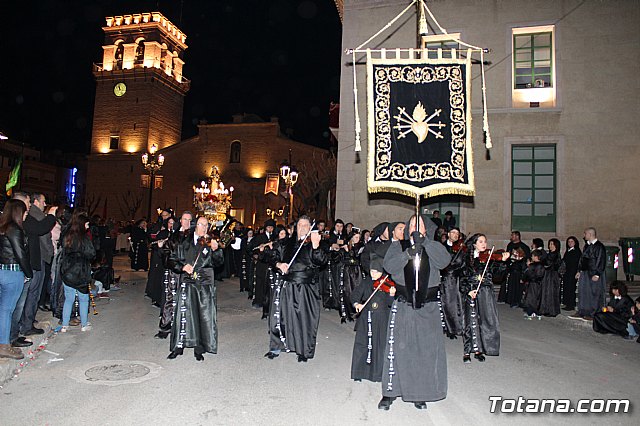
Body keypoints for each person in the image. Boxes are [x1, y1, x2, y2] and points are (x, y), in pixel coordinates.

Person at [379, 214, 450, 411]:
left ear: (426, 228)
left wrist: (425, 243)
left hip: (428, 307)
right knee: (397, 349)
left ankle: (420, 392)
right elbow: (389, 267)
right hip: (404, 304)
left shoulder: (433, 245)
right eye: (411, 223)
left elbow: (444, 261)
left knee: (424, 351)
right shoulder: (399, 246)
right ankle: (390, 392)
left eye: (419, 224)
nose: (415, 227)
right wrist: (408, 253)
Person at [267, 215, 327, 362]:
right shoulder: (286, 243)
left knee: (304, 320)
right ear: (295, 228)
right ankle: (276, 346)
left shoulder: (313, 243)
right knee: (279, 317)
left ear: (310, 228)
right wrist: (279, 264)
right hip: (287, 285)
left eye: (306, 225)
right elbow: (271, 255)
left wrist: (316, 246)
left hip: (306, 287)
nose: (303, 228)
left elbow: (321, 260)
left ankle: (303, 350)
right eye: (300, 225)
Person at [167, 216, 223, 361]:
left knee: (203, 315)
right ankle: (179, 346)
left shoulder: (210, 242)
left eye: (206, 225)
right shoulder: (184, 241)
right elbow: (172, 259)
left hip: (204, 282)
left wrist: (216, 250)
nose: (203, 228)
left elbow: (219, 262)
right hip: (188, 279)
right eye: (201, 225)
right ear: (195, 225)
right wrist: (183, 266)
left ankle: (200, 347)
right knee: (183, 313)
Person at [459, 234, 510, 363]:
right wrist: (468, 290)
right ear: (474, 244)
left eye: (485, 242)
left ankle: (479, 350)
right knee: (470, 321)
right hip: (472, 292)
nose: (484, 244)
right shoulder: (467, 259)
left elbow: (498, 276)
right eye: (480, 242)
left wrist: (503, 262)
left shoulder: (489, 259)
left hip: (486, 293)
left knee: (485, 321)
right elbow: (462, 278)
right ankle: (467, 351)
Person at [350, 257, 395, 383]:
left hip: (381, 319)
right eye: (371, 271)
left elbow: (390, 304)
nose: (373, 274)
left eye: (376, 271)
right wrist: (356, 304)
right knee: (362, 344)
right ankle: (359, 372)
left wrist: (391, 295)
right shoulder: (366, 282)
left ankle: (378, 374)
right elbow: (355, 295)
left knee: (379, 347)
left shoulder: (387, 283)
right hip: (366, 317)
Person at [0, 200, 33, 360]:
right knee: (7, 310)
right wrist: (28, 273)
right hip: (12, 272)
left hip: (2, 270)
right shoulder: (14, 229)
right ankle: (4, 345)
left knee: (3, 309)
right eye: (25, 212)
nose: (26, 215)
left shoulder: (3, 227)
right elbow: (20, 254)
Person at [156, 211, 192, 339]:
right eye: (184, 219)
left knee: (188, 301)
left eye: (189, 220)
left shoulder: (195, 236)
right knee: (170, 299)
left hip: (189, 273)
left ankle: (186, 330)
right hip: (175, 272)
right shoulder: (173, 236)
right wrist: (177, 266)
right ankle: (165, 327)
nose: (187, 222)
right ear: (180, 221)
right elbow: (166, 253)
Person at [59, 212, 96, 332]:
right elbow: (91, 253)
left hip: (67, 270)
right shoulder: (83, 238)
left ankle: (65, 325)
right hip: (81, 271)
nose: (88, 227)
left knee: (68, 298)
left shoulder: (66, 235)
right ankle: (84, 324)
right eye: (86, 224)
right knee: (83, 299)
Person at [571, 227, 606, 321]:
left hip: (594, 273)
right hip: (585, 272)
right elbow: (582, 259)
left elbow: (601, 260)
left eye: (585, 234)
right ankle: (582, 311)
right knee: (583, 292)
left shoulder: (599, 246)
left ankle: (593, 313)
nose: (584, 235)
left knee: (594, 293)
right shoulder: (587, 246)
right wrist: (579, 271)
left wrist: (597, 274)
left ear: (590, 234)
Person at [440, 227, 464, 338]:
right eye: (453, 232)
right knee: (448, 304)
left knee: (457, 304)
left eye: (457, 234)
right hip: (446, 280)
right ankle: (449, 328)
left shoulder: (461, 248)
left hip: (457, 278)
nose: (456, 235)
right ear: (448, 234)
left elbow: (464, 264)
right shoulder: (442, 247)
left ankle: (457, 327)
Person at [146, 215, 175, 307]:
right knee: (160, 279)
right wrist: (160, 246)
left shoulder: (178, 234)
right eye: (170, 223)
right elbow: (153, 243)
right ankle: (158, 300)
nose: (171, 225)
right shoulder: (163, 233)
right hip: (162, 259)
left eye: (173, 223)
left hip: (172, 261)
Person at [248, 219, 276, 309]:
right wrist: (255, 254)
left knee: (270, 283)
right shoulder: (259, 237)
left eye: (271, 227)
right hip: (262, 262)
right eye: (268, 227)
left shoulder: (275, 237)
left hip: (271, 262)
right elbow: (251, 248)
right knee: (260, 281)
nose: (270, 229)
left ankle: (269, 302)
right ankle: (258, 300)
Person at [499, 231, 530, 307]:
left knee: (516, 286)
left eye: (512, 236)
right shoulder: (510, 245)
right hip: (510, 267)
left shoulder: (524, 247)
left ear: (517, 236)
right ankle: (507, 299)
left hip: (518, 269)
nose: (511, 237)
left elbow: (526, 257)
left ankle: (516, 301)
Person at [539, 238, 562, 316]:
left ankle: (552, 311)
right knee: (545, 291)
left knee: (551, 292)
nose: (550, 246)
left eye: (552, 244)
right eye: (550, 244)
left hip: (552, 275)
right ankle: (545, 309)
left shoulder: (556, 254)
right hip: (547, 275)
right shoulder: (549, 254)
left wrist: (545, 263)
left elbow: (553, 264)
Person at [522, 250, 545, 320]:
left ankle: (530, 313)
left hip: (532, 284)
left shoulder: (532, 266)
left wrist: (525, 278)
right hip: (539, 284)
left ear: (536, 257)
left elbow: (528, 274)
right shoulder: (541, 265)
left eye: (532, 256)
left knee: (530, 299)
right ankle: (538, 313)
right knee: (537, 299)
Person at [561, 236, 582, 311]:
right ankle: (567, 303)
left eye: (572, 241)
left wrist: (578, 271)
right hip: (567, 272)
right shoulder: (568, 251)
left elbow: (578, 263)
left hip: (573, 272)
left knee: (571, 288)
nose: (570, 243)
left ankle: (571, 305)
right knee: (567, 287)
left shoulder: (577, 251)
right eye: (569, 242)